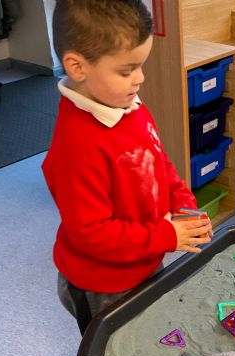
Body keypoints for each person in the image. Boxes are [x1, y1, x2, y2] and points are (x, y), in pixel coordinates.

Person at [42, 0, 213, 335]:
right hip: (104, 284)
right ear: (77, 67)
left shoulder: (128, 104)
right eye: (126, 71)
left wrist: (182, 204)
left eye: (141, 66)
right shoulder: (76, 146)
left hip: (145, 257)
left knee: (148, 330)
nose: (140, 78)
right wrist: (166, 236)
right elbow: (92, 234)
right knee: (117, 348)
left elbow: (158, 161)